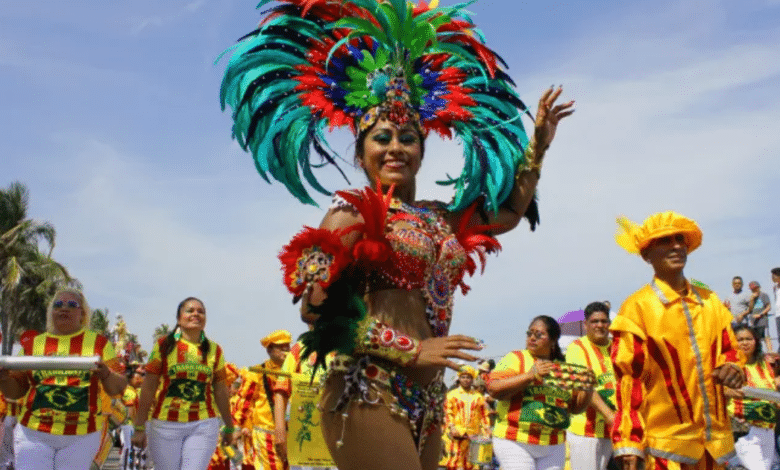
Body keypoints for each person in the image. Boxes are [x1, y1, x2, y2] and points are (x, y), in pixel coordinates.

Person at [221, 2, 572, 470]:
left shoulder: (438, 217)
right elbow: (316, 310)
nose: (395, 148)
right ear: (362, 152)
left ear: (423, 151)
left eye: (408, 138)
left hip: (427, 402)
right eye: (381, 138)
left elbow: (509, 212)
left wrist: (538, 145)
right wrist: (414, 348)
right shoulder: (348, 215)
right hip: (366, 388)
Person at [611, 212, 747, 470]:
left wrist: (733, 369)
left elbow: (730, 351)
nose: (675, 246)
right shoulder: (637, 308)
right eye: (664, 241)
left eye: (679, 239)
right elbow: (629, 381)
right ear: (646, 255)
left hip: (716, 448)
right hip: (666, 451)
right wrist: (629, 440)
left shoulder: (711, 301)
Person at [0, 288, 128, 470]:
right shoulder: (33, 344)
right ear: (51, 312)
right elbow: (17, 390)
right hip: (33, 433)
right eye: (58, 305)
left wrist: (106, 374)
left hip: (81, 437)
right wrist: (4, 379)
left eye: (72, 305)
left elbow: (118, 387)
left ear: (82, 313)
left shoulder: (99, 343)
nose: (64, 309)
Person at [131, 297, 235, 470]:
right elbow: (148, 387)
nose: (196, 314)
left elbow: (221, 391)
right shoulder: (164, 345)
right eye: (190, 310)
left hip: (204, 424)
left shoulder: (215, 350)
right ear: (179, 318)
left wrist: (229, 426)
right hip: (165, 425)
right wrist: (140, 425)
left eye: (201, 311)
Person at [487, 316, 592, 470]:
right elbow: (493, 389)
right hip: (515, 440)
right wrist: (530, 375)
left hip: (553, 444)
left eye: (538, 335)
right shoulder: (516, 358)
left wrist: (588, 389)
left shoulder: (564, 369)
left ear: (553, 340)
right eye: (529, 333)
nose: (532, 338)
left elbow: (575, 409)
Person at [565, 301, 616, 470]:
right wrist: (610, 415)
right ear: (586, 325)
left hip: (615, 431)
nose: (600, 325)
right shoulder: (577, 348)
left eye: (604, 321)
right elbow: (584, 385)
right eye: (595, 321)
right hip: (586, 432)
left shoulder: (618, 347)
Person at [234, 330, 291, 470]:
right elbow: (243, 402)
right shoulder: (258, 373)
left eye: (287, 346)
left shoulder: (294, 371)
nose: (286, 350)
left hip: (289, 434)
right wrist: (236, 429)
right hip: (265, 433)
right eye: (281, 346)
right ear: (269, 349)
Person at [725, 325, 780, 470]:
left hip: (768, 430)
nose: (744, 343)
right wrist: (730, 392)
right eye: (740, 339)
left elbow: (773, 389)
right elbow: (715, 390)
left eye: (749, 339)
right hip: (745, 431)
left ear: (756, 341)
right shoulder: (728, 365)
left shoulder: (765, 364)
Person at [443, 366, 491, 470]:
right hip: (456, 433)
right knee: (454, 462)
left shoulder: (478, 396)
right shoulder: (452, 394)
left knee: (472, 463)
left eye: (468, 377)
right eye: (463, 377)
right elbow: (447, 412)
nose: (465, 380)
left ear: (472, 379)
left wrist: (487, 428)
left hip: (473, 434)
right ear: (459, 379)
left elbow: (484, 414)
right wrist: (452, 427)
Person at [748, 282, 774, 353]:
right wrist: (752, 299)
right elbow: (749, 309)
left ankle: (770, 351)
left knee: (766, 336)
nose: (754, 290)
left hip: (762, 320)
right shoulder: (750, 297)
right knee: (756, 338)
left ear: (758, 287)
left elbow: (769, 307)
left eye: (755, 288)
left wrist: (761, 314)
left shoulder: (764, 295)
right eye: (752, 289)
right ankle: (758, 352)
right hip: (754, 322)